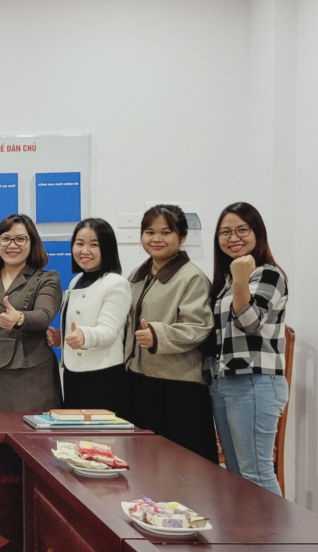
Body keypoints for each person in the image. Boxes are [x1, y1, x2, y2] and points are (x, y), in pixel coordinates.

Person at [123, 204, 217, 462]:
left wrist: (157, 335)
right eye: (149, 232)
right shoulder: (136, 277)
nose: (156, 239)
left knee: (180, 465)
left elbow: (198, 326)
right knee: (144, 463)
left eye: (166, 232)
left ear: (182, 237)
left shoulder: (192, 278)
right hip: (140, 381)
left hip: (178, 386)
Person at [208, 202, 288, 494]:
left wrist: (241, 278)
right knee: (236, 473)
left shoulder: (268, 274)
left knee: (256, 473)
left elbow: (250, 322)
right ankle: (245, 526)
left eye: (242, 229)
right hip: (224, 382)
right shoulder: (227, 281)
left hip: (255, 381)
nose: (233, 238)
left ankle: (273, 527)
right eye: (225, 232)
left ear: (258, 232)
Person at [0, 214, 62, 412]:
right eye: (6, 238)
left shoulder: (46, 278)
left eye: (20, 239)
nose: (12, 245)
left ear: (32, 242)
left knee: (32, 430)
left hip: (33, 372)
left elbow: (44, 314)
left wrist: (20, 318)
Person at [45, 218, 131, 411]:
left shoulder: (116, 283)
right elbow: (80, 321)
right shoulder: (75, 280)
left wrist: (84, 336)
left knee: (101, 431)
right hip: (73, 374)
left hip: (103, 376)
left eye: (94, 245)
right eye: (79, 243)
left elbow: (109, 331)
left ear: (107, 247)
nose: (85, 251)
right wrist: (62, 338)